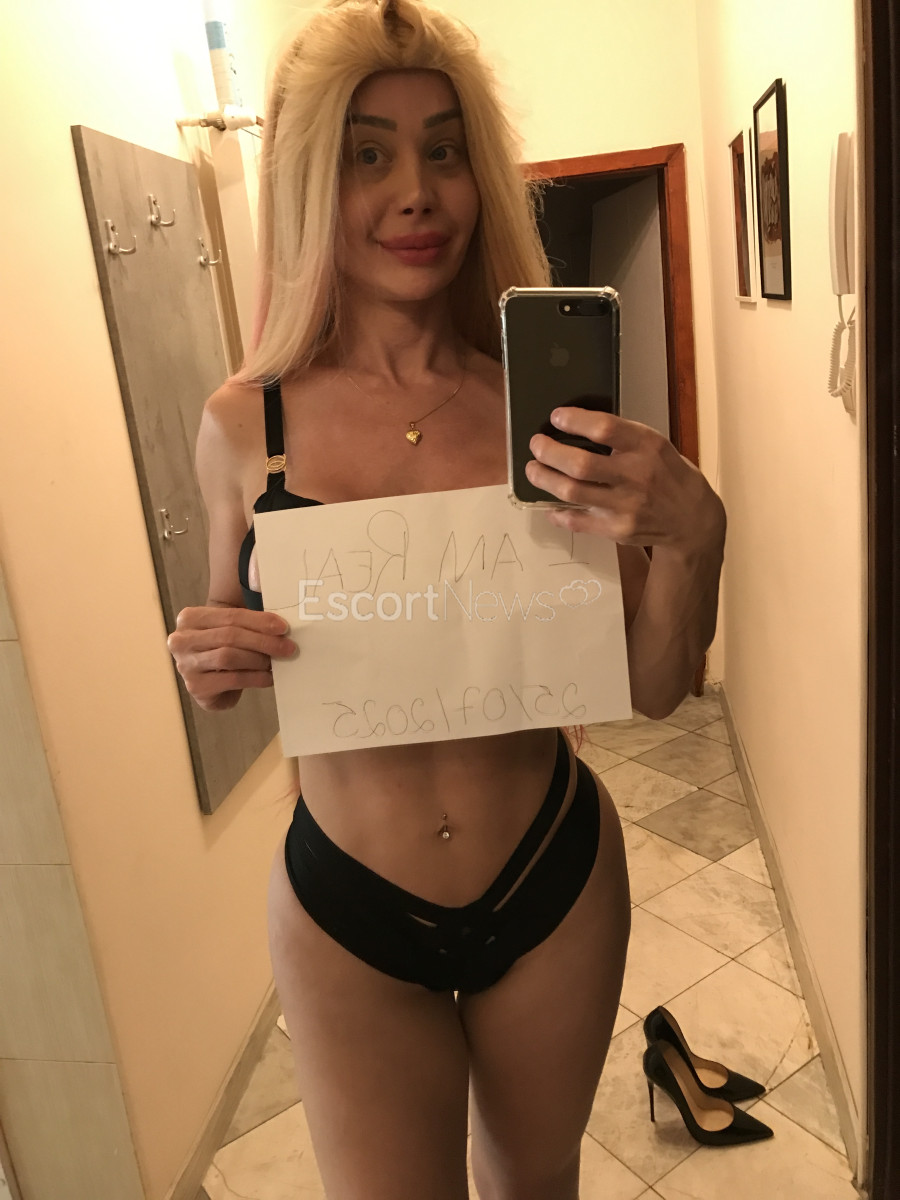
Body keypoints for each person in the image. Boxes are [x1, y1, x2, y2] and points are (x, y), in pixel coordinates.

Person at [166, 1, 726, 1196]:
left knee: (537, 1184)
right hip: (346, 906)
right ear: (311, 184)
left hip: (552, 878)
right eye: (368, 154)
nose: (416, 192)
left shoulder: (548, 417)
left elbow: (655, 687)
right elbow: (226, 656)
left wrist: (695, 540)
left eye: (445, 150)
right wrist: (208, 662)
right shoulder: (243, 427)